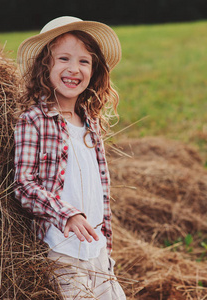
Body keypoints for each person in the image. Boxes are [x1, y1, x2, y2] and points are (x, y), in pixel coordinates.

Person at [14, 16, 126, 299]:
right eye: (63, 59)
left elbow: (98, 189)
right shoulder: (34, 121)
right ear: (45, 66)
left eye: (84, 62)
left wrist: (106, 247)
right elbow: (23, 186)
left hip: (97, 252)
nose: (74, 69)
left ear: (94, 71)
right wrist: (67, 214)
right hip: (60, 253)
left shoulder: (91, 123)